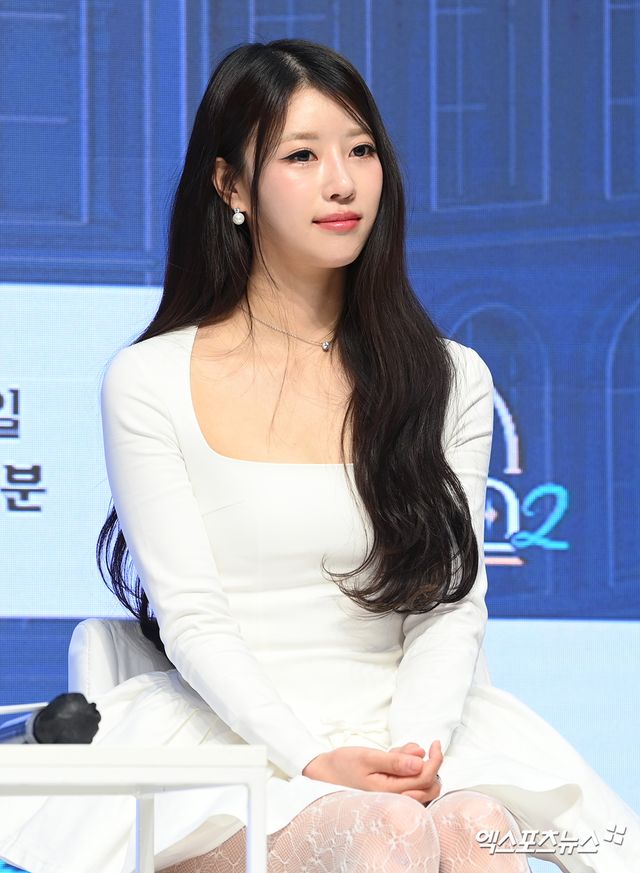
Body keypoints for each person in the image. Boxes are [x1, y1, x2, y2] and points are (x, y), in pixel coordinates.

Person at [0, 38, 638, 873]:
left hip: (414, 728)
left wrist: (413, 755)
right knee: (383, 833)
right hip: (232, 735)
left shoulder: (451, 378)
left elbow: (450, 605)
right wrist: (309, 758)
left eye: (361, 150)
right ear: (231, 185)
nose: (343, 182)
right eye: (302, 155)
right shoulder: (150, 379)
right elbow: (193, 617)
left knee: (475, 824)